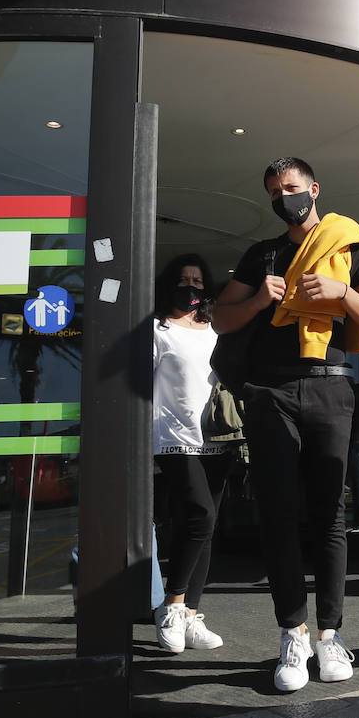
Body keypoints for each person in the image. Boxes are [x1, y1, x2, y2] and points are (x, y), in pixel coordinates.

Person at [213, 157, 359, 692]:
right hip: (270, 390)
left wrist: (341, 295)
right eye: (273, 191)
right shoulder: (260, 254)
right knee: (279, 514)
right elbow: (220, 319)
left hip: (330, 384)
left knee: (329, 514)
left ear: (313, 189)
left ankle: (329, 635)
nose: (282, 197)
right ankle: (292, 633)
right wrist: (257, 301)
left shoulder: (347, 245)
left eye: (290, 188)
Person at [150, 253, 226, 654]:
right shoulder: (158, 329)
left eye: (198, 280)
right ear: (170, 284)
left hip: (218, 436)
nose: (192, 286)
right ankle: (172, 606)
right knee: (201, 515)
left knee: (204, 528)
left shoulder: (216, 327)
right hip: (173, 437)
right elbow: (139, 387)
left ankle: (192, 613)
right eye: (184, 280)